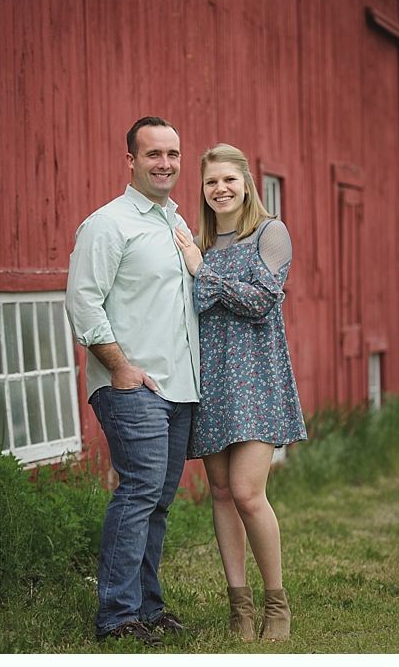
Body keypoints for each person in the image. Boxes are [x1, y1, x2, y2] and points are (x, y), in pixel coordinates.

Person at [65, 116, 200, 647]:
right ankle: (118, 616)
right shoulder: (109, 224)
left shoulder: (175, 223)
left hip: (180, 390)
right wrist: (120, 368)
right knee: (139, 490)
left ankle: (147, 605)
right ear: (131, 161)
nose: (164, 164)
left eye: (172, 154)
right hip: (133, 386)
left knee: (158, 500)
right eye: (153, 155)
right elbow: (83, 302)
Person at [173, 143, 307, 642]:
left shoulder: (269, 233)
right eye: (211, 182)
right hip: (212, 382)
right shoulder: (202, 244)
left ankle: (277, 605)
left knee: (250, 493)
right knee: (223, 494)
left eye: (229, 179)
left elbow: (263, 300)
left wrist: (201, 274)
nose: (220, 189)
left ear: (246, 182)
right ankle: (240, 611)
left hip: (258, 380)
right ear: (203, 190)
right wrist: (197, 265)